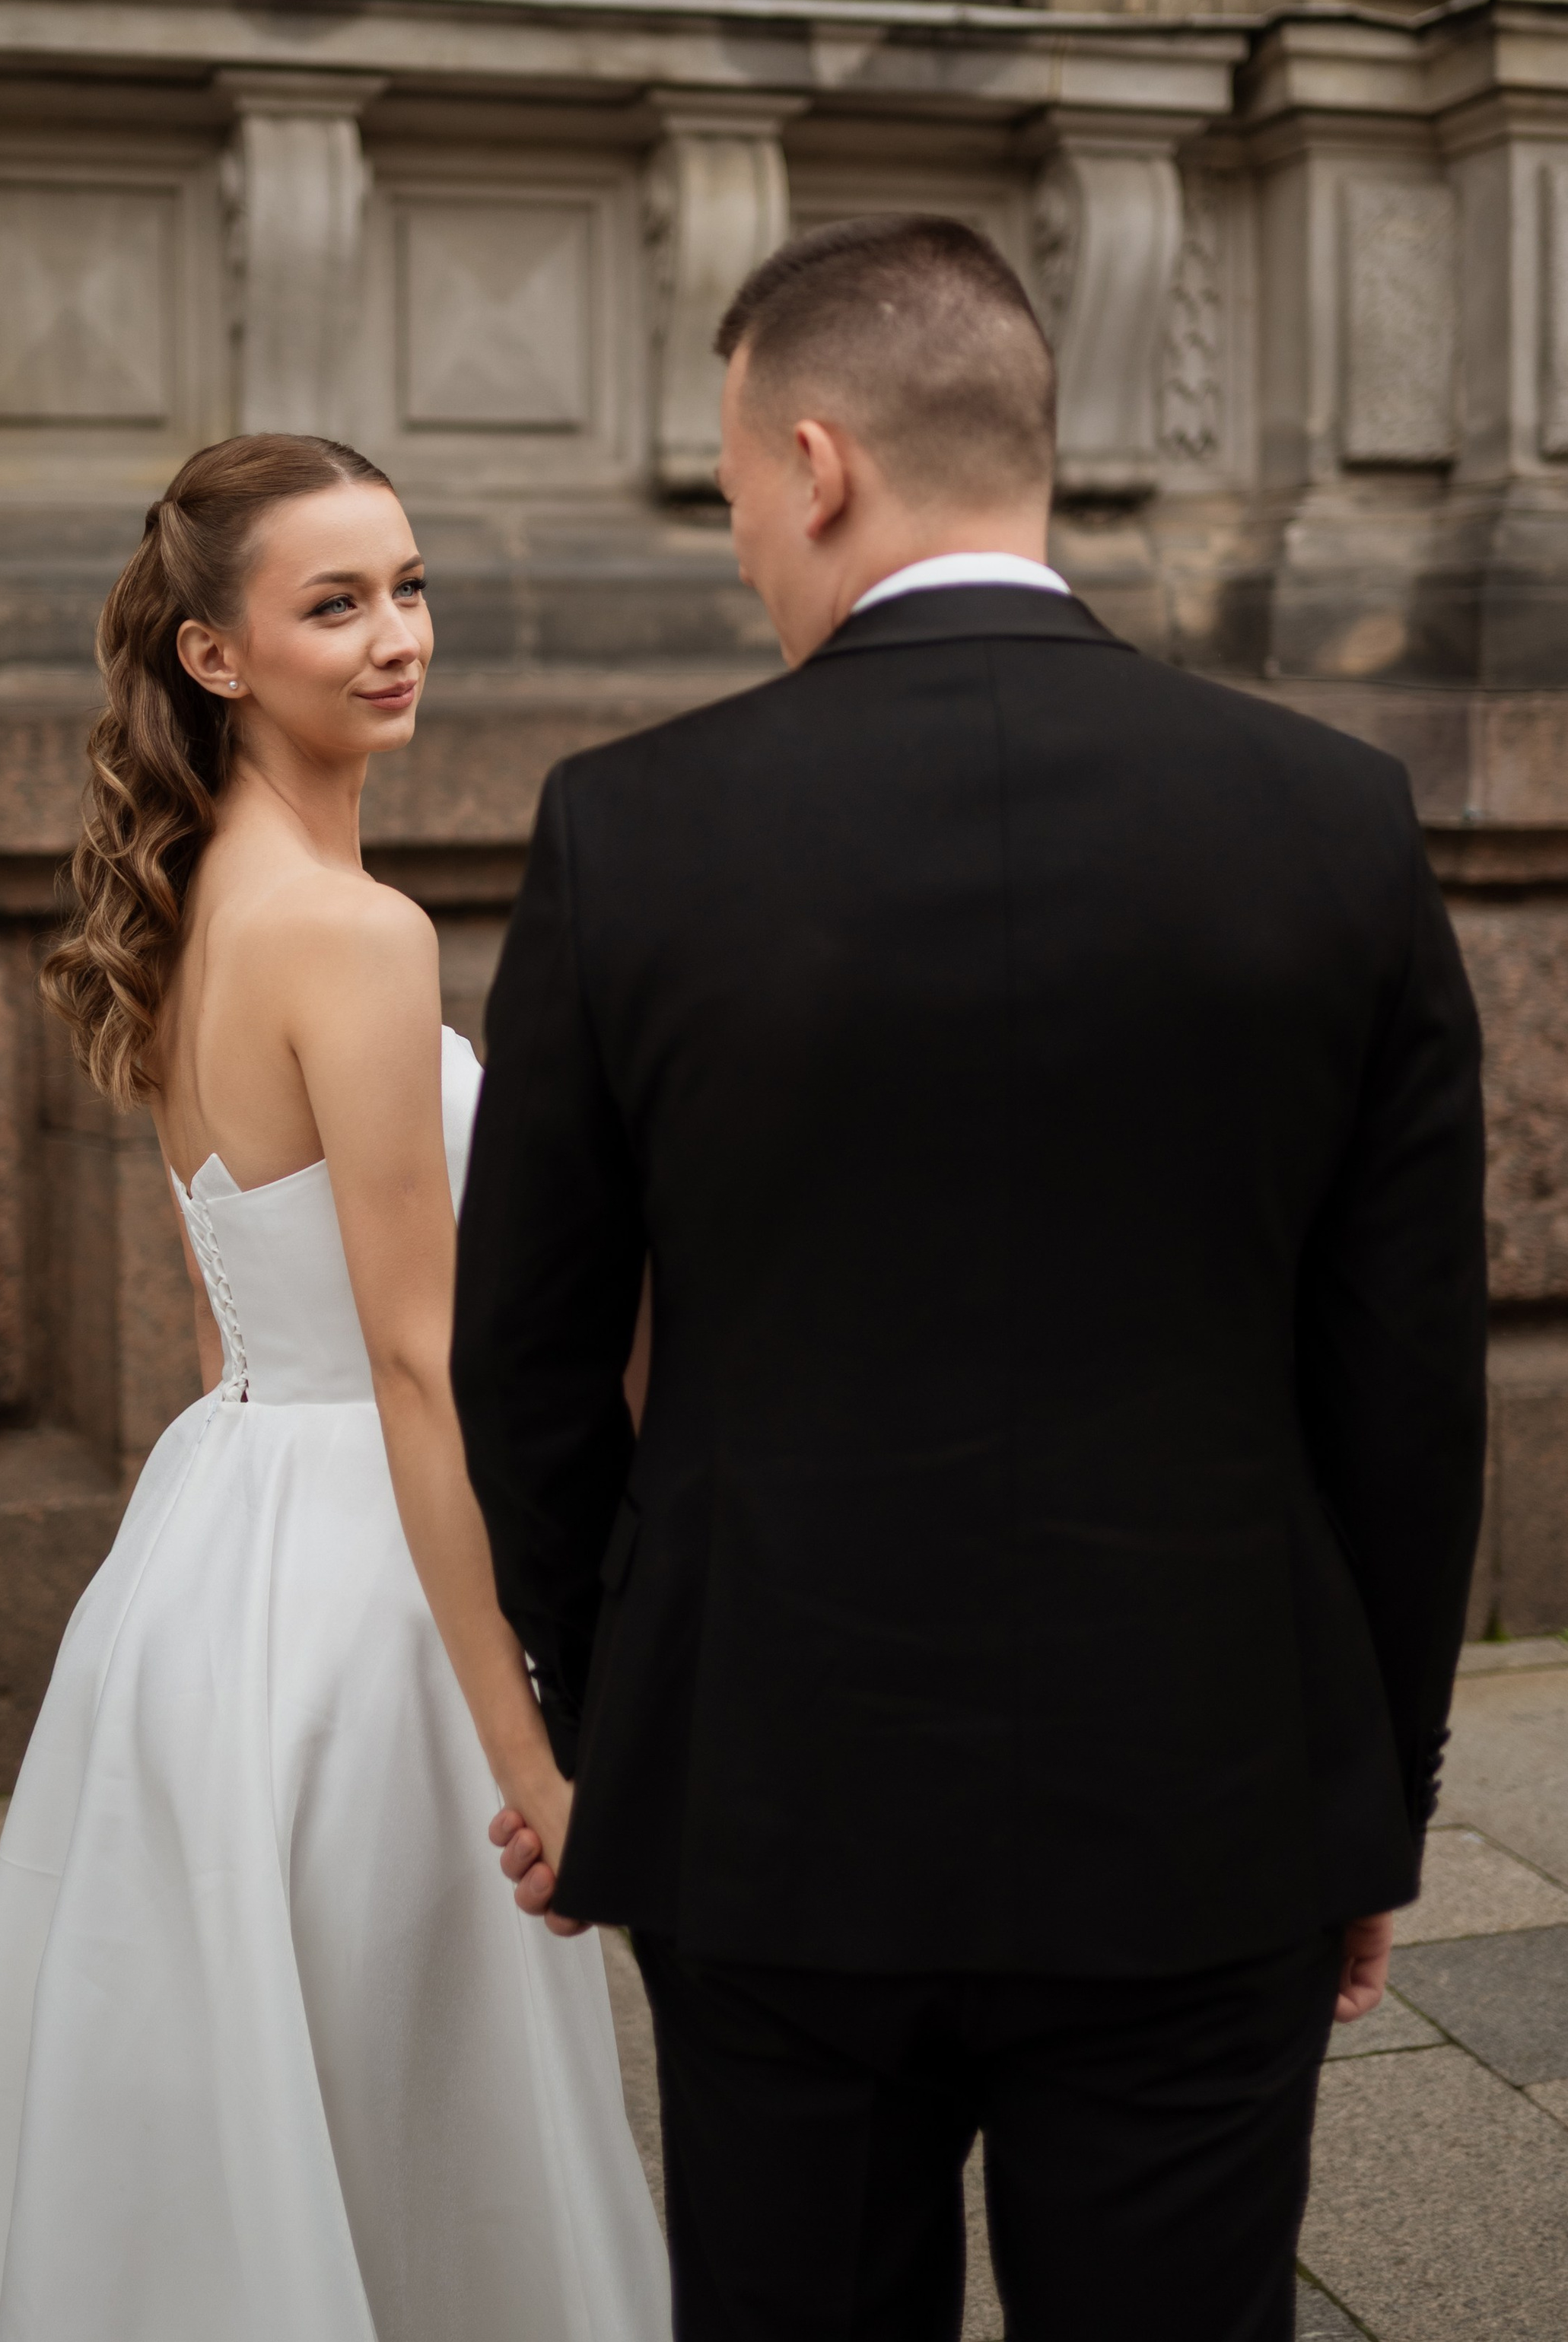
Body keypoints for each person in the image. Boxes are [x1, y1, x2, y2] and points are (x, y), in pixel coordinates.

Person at [456, 217, 1487, 2342]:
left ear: (818, 464)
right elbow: (1405, 1381)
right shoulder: (1334, 818)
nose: (745, 541)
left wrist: (604, 1709)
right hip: (1207, 1798)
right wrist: (1370, 1790)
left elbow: (527, 1367)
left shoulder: (628, 832)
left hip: (770, 1800)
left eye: (736, 487)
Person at [0, 434, 669, 2342]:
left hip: (216, 1546)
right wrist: (534, 1751)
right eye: (335, 602)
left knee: (261, 2089)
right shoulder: (351, 930)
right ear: (212, 655)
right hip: (368, 1587)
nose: (396, 636)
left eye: (408, 586)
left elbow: (234, 1305)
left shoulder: (202, 902)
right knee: (418, 2113)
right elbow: (419, 1360)